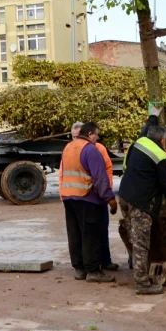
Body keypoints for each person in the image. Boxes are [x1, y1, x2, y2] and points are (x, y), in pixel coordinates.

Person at [117, 124, 166, 295]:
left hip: (124, 196)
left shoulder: (138, 143)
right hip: (141, 202)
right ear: (163, 140)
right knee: (141, 242)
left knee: (133, 236)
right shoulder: (161, 156)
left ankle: (136, 268)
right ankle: (142, 283)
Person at [59, 121, 116, 283]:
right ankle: (93, 271)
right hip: (87, 198)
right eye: (96, 135)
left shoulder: (69, 147)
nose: (97, 138)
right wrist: (111, 200)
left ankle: (79, 269)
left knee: (75, 234)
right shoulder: (90, 149)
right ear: (90, 134)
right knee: (90, 234)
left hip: (69, 197)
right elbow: (100, 177)